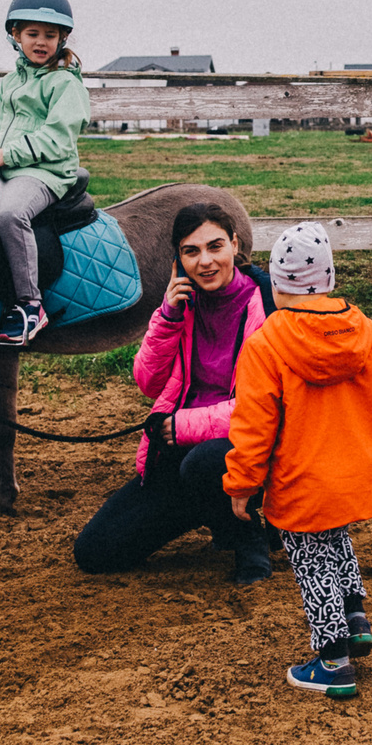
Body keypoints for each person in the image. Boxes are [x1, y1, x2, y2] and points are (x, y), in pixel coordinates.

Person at [225, 221, 372, 698]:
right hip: (356, 471)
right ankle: (355, 617)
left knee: (311, 560)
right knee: (336, 540)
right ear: (330, 278)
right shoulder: (365, 331)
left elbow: (254, 426)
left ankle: (333, 660)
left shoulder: (266, 344)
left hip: (302, 480)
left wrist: (241, 485)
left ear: (276, 284)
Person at [71, 204, 278, 581]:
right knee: (96, 551)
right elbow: (148, 383)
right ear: (178, 260)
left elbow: (265, 407)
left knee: (204, 463)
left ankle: (249, 538)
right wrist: (166, 317)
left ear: (235, 244)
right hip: (179, 454)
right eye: (191, 251)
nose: (206, 262)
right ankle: (211, 507)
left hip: (249, 452)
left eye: (215, 247)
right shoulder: (181, 307)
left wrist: (182, 426)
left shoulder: (267, 306)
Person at [0, 0, 91, 346]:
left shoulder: (66, 84)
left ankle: (30, 304)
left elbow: (57, 139)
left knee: (10, 215)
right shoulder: (10, 83)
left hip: (47, 172)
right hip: (8, 166)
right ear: (15, 36)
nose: (41, 42)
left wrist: (8, 155)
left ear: (62, 38)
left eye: (50, 35)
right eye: (32, 34)